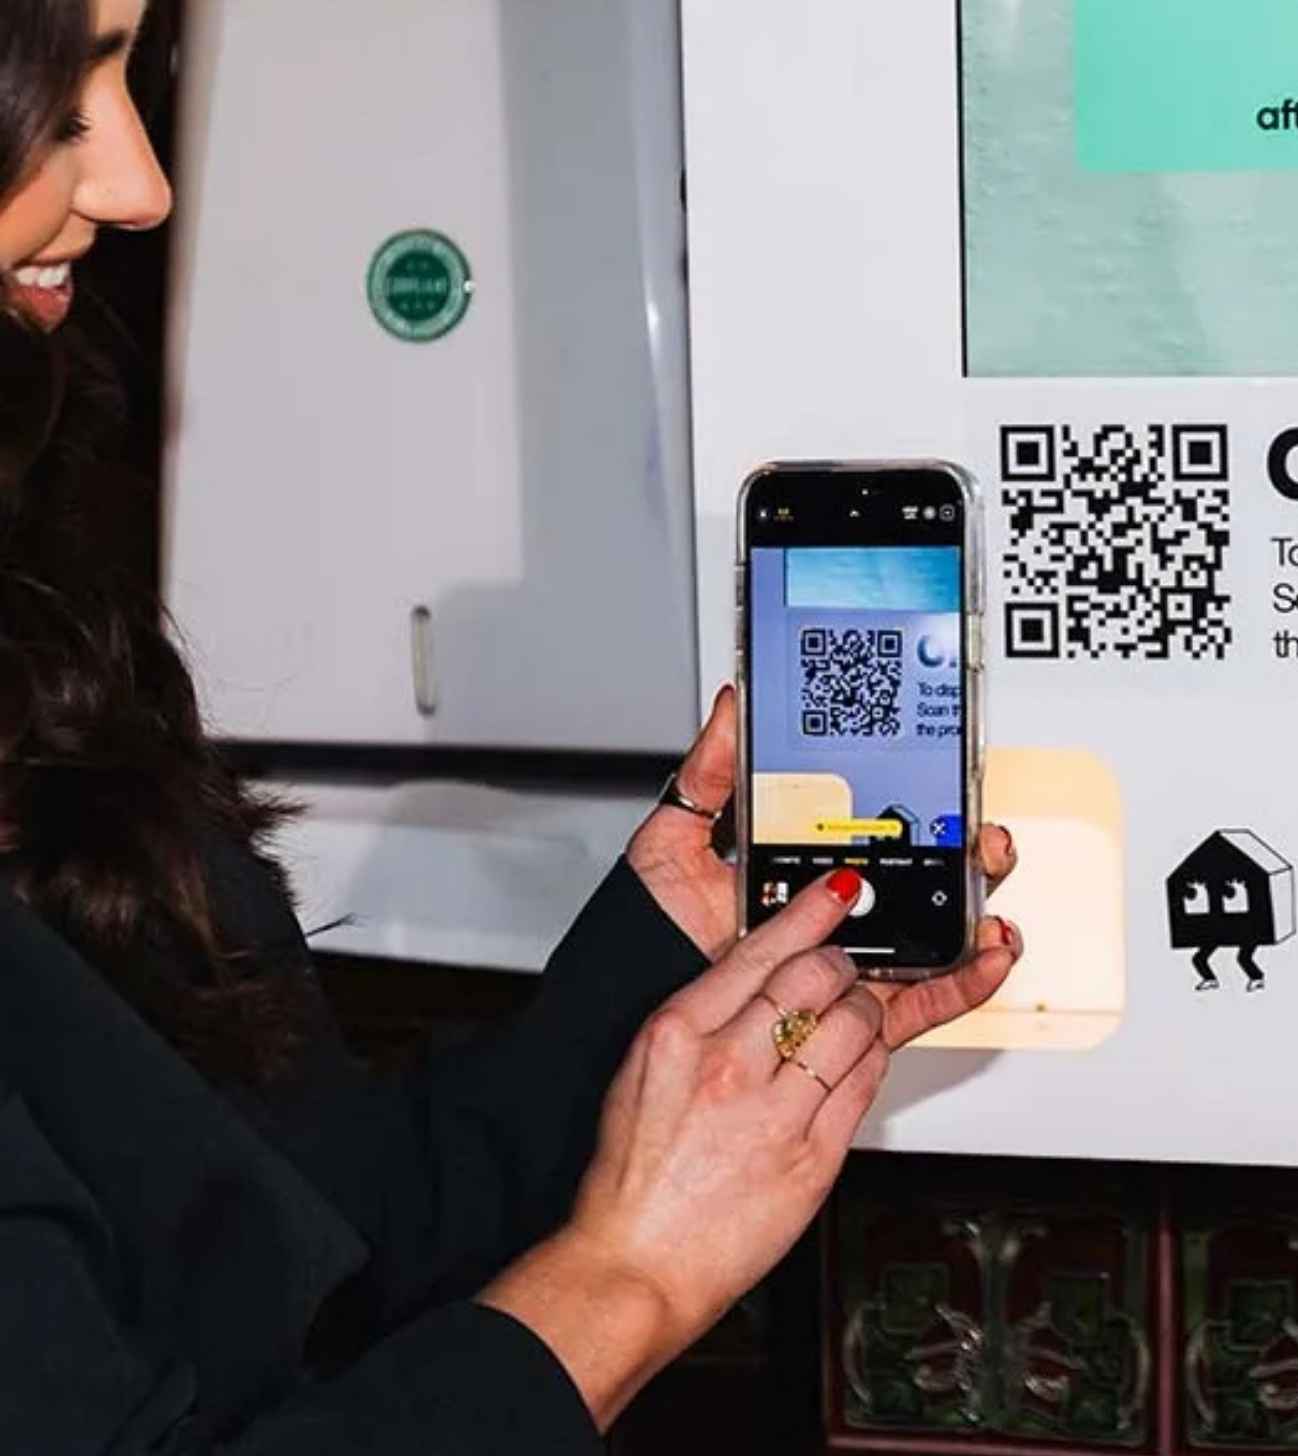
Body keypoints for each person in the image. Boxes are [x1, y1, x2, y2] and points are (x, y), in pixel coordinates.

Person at [0, 1, 1023, 1451]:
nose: (142, 181)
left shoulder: (42, 591)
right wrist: (626, 1282)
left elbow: (311, 1234)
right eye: (65, 78)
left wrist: (663, 953)